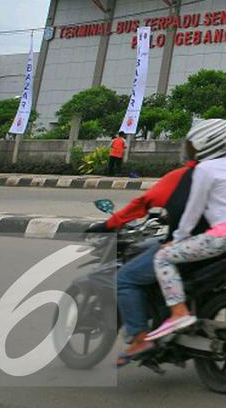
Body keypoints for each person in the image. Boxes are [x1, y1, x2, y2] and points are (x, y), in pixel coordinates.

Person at [145, 119, 226, 340]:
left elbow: (193, 211)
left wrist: (178, 238)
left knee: (163, 258)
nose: (191, 149)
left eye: (193, 144)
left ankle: (178, 312)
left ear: (205, 143)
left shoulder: (205, 169)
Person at [91, 157, 210, 366]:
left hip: (188, 247)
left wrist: (109, 224)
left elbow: (142, 204)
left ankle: (140, 339)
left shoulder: (180, 176)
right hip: (224, 244)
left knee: (125, 277)